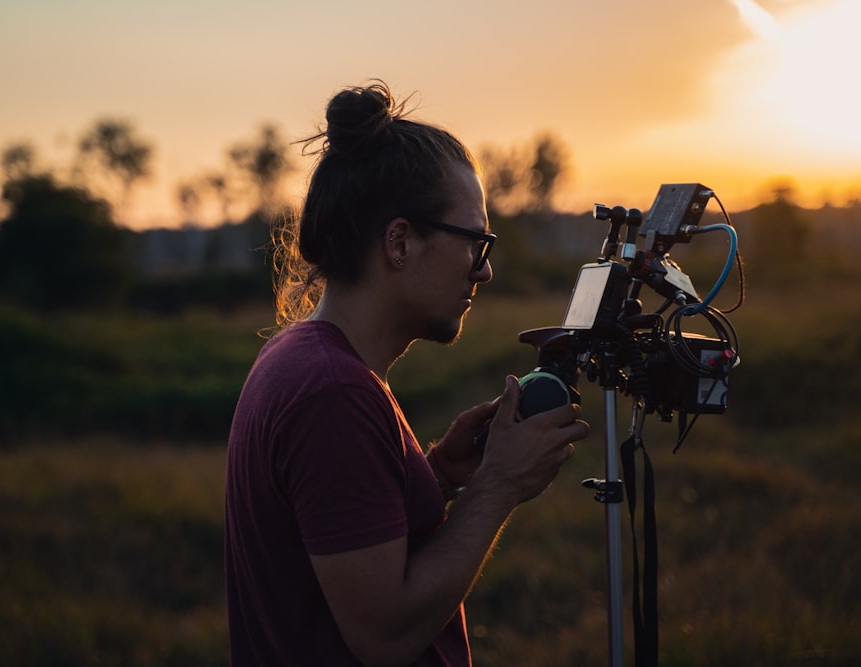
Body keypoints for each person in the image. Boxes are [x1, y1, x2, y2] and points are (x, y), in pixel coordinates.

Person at [224, 80, 590, 667]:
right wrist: (498, 486)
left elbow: (339, 538)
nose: (484, 272)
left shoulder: (299, 358)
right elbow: (384, 635)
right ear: (399, 241)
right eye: (477, 243)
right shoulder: (333, 393)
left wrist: (441, 475)